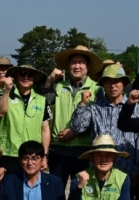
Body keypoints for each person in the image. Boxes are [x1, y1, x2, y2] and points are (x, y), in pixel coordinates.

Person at [69, 65, 139, 186]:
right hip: (98, 171)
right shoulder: (94, 108)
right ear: (103, 85)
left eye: (117, 82)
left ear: (124, 83)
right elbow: (77, 127)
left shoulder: (136, 108)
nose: (112, 85)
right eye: (108, 82)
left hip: (127, 170)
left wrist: (137, 170)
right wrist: (82, 104)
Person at [40, 45, 103, 188]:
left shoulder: (97, 89)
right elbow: (44, 106)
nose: (77, 66)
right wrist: (49, 80)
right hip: (58, 150)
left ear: (88, 66)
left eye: (81, 62)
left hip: (83, 151)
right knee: (56, 191)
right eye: (73, 62)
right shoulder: (58, 87)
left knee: (79, 192)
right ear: (68, 66)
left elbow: (98, 121)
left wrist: (75, 132)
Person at [0, 59, 52, 174]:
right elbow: (0, 112)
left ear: (35, 77)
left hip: (32, 156)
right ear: (15, 76)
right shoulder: (4, 96)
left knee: (29, 190)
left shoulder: (41, 100)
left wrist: (44, 155)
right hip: (8, 154)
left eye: (30, 74)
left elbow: (45, 129)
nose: (26, 77)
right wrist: (7, 91)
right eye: (22, 73)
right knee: (8, 189)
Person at [0, 140, 66, 200]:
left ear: (42, 160)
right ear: (20, 160)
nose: (30, 163)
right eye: (25, 158)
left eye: (34, 158)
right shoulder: (8, 181)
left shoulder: (55, 182)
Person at [68, 135, 131, 200]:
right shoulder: (78, 178)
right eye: (99, 155)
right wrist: (79, 187)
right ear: (92, 158)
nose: (104, 159)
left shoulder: (123, 178)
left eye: (108, 155)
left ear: (114, 158)